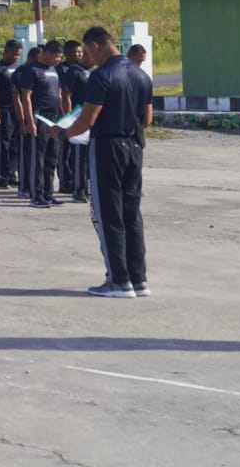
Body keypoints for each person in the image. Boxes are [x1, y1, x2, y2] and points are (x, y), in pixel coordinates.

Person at [54, 27, 153, 299]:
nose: (87, 57)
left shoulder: (101, 76)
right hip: (134, 146)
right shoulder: (141, 75)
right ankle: (138, 278)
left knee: (108, 214)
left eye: (87, 51)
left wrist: (62, 133)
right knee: (132, 214)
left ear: (96, 45)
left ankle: (118, 281)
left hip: (108, 147)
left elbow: (87, 120)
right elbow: (147, 120)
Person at [15, 42, 65, 209]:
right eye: (56, 56)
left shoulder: (54, 70)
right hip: (39, 115)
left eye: (60, 56)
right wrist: (30, 121)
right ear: (48, 53)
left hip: (54, 117)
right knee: (39, 158)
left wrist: (62, 116)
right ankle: (36, 195)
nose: (58, 59)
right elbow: (26, 97)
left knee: (52, 157)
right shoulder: (32, 70)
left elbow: (58, 94)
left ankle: (48, 194)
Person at [58, 41, 92, 204]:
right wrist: (69, 118)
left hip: (92, 116)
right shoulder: (74, 71)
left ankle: (89, 187)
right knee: (79, 156)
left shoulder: (93, 71)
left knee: (90, 155)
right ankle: (78, 189)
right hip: (78, 116)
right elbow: (65, 96)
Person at [0, 40, 23, 189]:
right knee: (3, 143)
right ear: (6, 52)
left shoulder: (18, 69)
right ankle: (1, 175)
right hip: (3, 110)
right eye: (15, 54)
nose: (16, 57)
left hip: (16, 109)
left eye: (19, 55)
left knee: (16, 144)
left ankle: (11, 173)